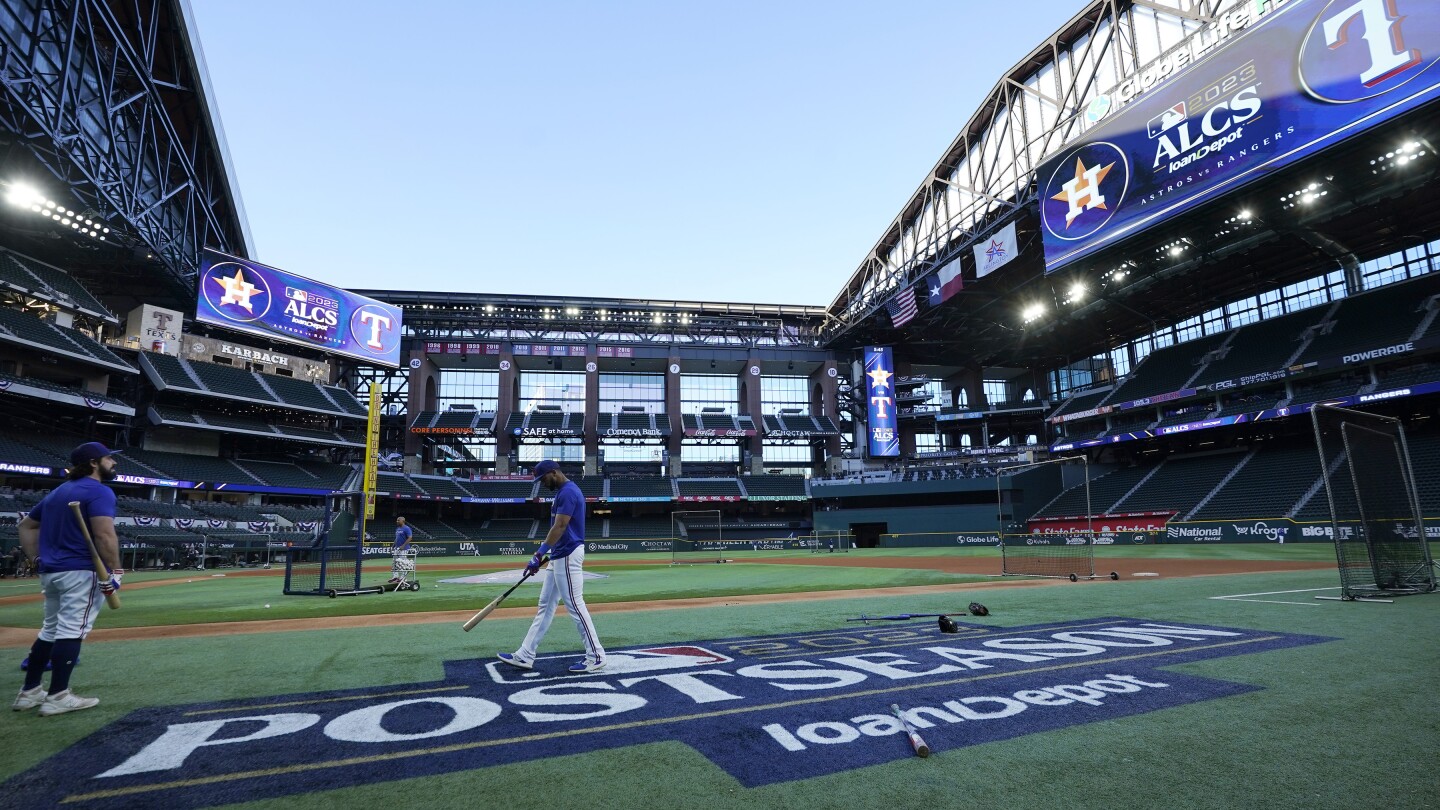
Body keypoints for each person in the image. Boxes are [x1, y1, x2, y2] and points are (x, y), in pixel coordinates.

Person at [12, 442, 122, 716]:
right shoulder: (99, 491)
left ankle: (29, 692)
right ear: (94, 462)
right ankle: (58, 695)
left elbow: (25, 525)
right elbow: (105, 535)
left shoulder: (59, 492)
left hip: (52, 571)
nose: (114, 463)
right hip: (82, 570)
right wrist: (116, 570)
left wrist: (35, 559)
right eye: (110, 458)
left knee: (50, 630)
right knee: (72, 630)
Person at [497, 460, 605, 674]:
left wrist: (539, 554)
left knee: (575, 605)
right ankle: (525, 655)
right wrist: (547, 556)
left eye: (543, 478)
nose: (542, 483)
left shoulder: (568, 492)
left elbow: (561, 526)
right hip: (559, 554)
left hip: (567, 553)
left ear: (554, 473)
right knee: (545, 606)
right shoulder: (563, 492)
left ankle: (596, 655)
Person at [388, 516, 413, 585]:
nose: (397, 521)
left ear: (403, 521)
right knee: (394, 562)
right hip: (397, 548)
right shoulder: (398, 528)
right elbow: (396, 538)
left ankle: (403, 577)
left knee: (402, 563)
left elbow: (410, 538)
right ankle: (395, 576)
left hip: (404, 549)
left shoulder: (407, 528)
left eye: (398, 520)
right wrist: (393, 546)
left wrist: (403, 545)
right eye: (397, 520)